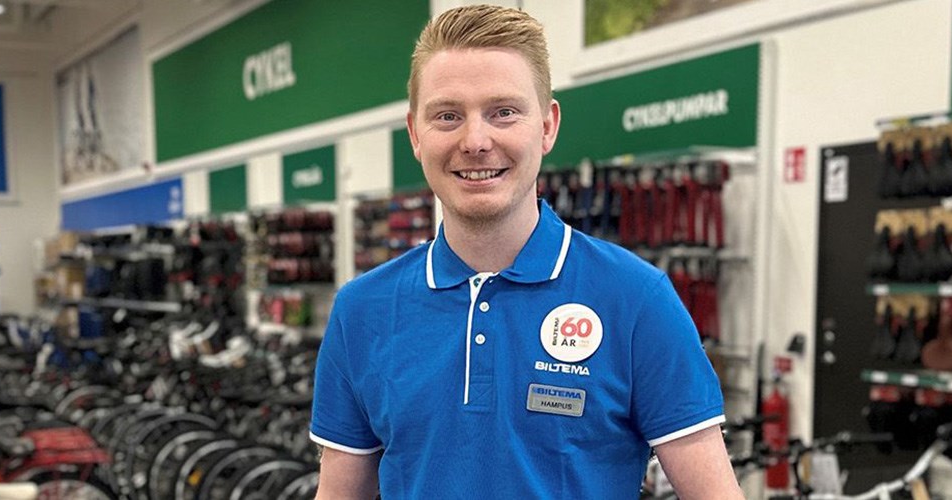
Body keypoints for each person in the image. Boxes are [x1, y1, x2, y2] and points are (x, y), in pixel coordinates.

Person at [310, 5, 744, 499]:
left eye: (503, 112)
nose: (476, 141)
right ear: (414, 133)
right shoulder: (361, 310)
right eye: (448, 116)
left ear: (547, 126)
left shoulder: (637, 298)